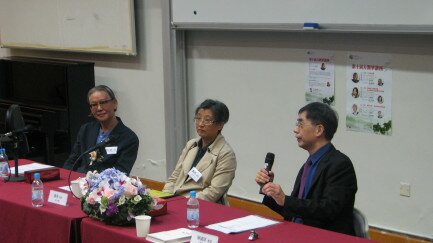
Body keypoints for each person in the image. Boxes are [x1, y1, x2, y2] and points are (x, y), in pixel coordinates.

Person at [255, 102, 357, 235]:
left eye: (300, 124)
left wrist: (285, 199)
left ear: (319, 130)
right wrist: (269, 190)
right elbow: (295, 210)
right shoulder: (308, 164)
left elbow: (328, 211)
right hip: (298, 233)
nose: (295, 129)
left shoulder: (340, 165)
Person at [162, 99, 236, 204]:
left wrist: (183, 202)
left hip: (201, 207)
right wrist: (165, 198)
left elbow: (213, 192)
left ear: (220, 125)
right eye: (198, 118)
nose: (200, 124)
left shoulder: (226, 154)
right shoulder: (191, 145)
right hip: (176, 201)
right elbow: (174, 178)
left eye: (207, 120)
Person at [63, 85, 139, 175]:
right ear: (91, 109)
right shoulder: (86, 129)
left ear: (115, 103)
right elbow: (72, 161)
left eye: (103, 102)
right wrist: (65, 177)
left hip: (106, 186)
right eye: (94, 105)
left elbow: (120, 173)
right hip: (79, 182)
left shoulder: (129, 138)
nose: (99, 108)